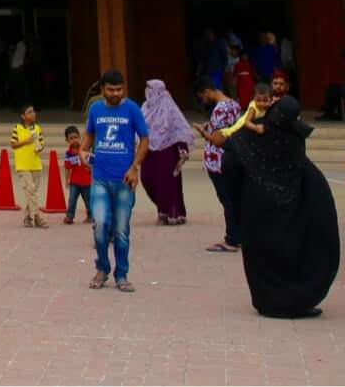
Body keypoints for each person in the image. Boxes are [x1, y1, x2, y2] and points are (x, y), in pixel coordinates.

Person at [219, 95, 338, 318]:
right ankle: (297, 302)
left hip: (257, 206)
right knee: (294, 250)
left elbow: (229, 162)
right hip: (293, 205)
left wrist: (238, 200)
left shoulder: (251, 138)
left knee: (264, 254)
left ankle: (269, 301)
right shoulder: (290, 135)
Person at [84, 69, 149, 292]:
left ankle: (122, 274)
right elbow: (89, 135)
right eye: (111, 89)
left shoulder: (132, 109)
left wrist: (135, 168)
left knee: (121, 230)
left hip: (124, 181)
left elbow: (145, 139)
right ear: (102, 90)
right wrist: (83, 151)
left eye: (119, 89)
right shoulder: (95, 109)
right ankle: (102, 268)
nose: (116, 93)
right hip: (99, 179)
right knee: (100, 226)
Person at [196, 78, 242, 254]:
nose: (203, 101)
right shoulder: (234, 105)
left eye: (202, 97)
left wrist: (203, 133)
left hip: (219, 160)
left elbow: (217, 138)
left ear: (207, 92)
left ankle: (232, 239)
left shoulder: (219, 109)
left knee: (227, 200)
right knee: (234, 198)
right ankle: (238, 235)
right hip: (233, 156)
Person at [139, 79, 191, 225]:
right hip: (148, 151)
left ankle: (168, 213)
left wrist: (182, 149)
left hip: (167, 152)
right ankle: (164, 209)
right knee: (147, 179)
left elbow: (179, 129)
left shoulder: (170, 108)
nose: (147, 92)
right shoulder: (145, 107)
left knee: (166, 183)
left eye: (150, 89)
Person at [10, 105, 48, 228]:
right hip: (23, 164)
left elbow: (41, 144)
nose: (33, 114)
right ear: (23, 116)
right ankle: (37, 217)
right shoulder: (17, 128)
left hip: (35, 164)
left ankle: (27, 217)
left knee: (31, 192)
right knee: (31, 191)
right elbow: (13, 144)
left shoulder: (37, 128)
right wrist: (26, 141)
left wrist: (39, 147)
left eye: (33, 111)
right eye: (29, 112)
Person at [61, 125, 91, 225]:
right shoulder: (68, 154)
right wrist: (66, 180)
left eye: (76, 137)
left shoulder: (85, 150)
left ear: (79, 137)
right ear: (67, 140)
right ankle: (69, 216)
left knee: (89, 200)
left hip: (87, 181)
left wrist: (90, 169)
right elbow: (67, 168)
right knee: (72, 200)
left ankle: (91, 216)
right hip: (74, 182)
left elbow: (92, 164)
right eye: (71, 138)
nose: (74, 140)